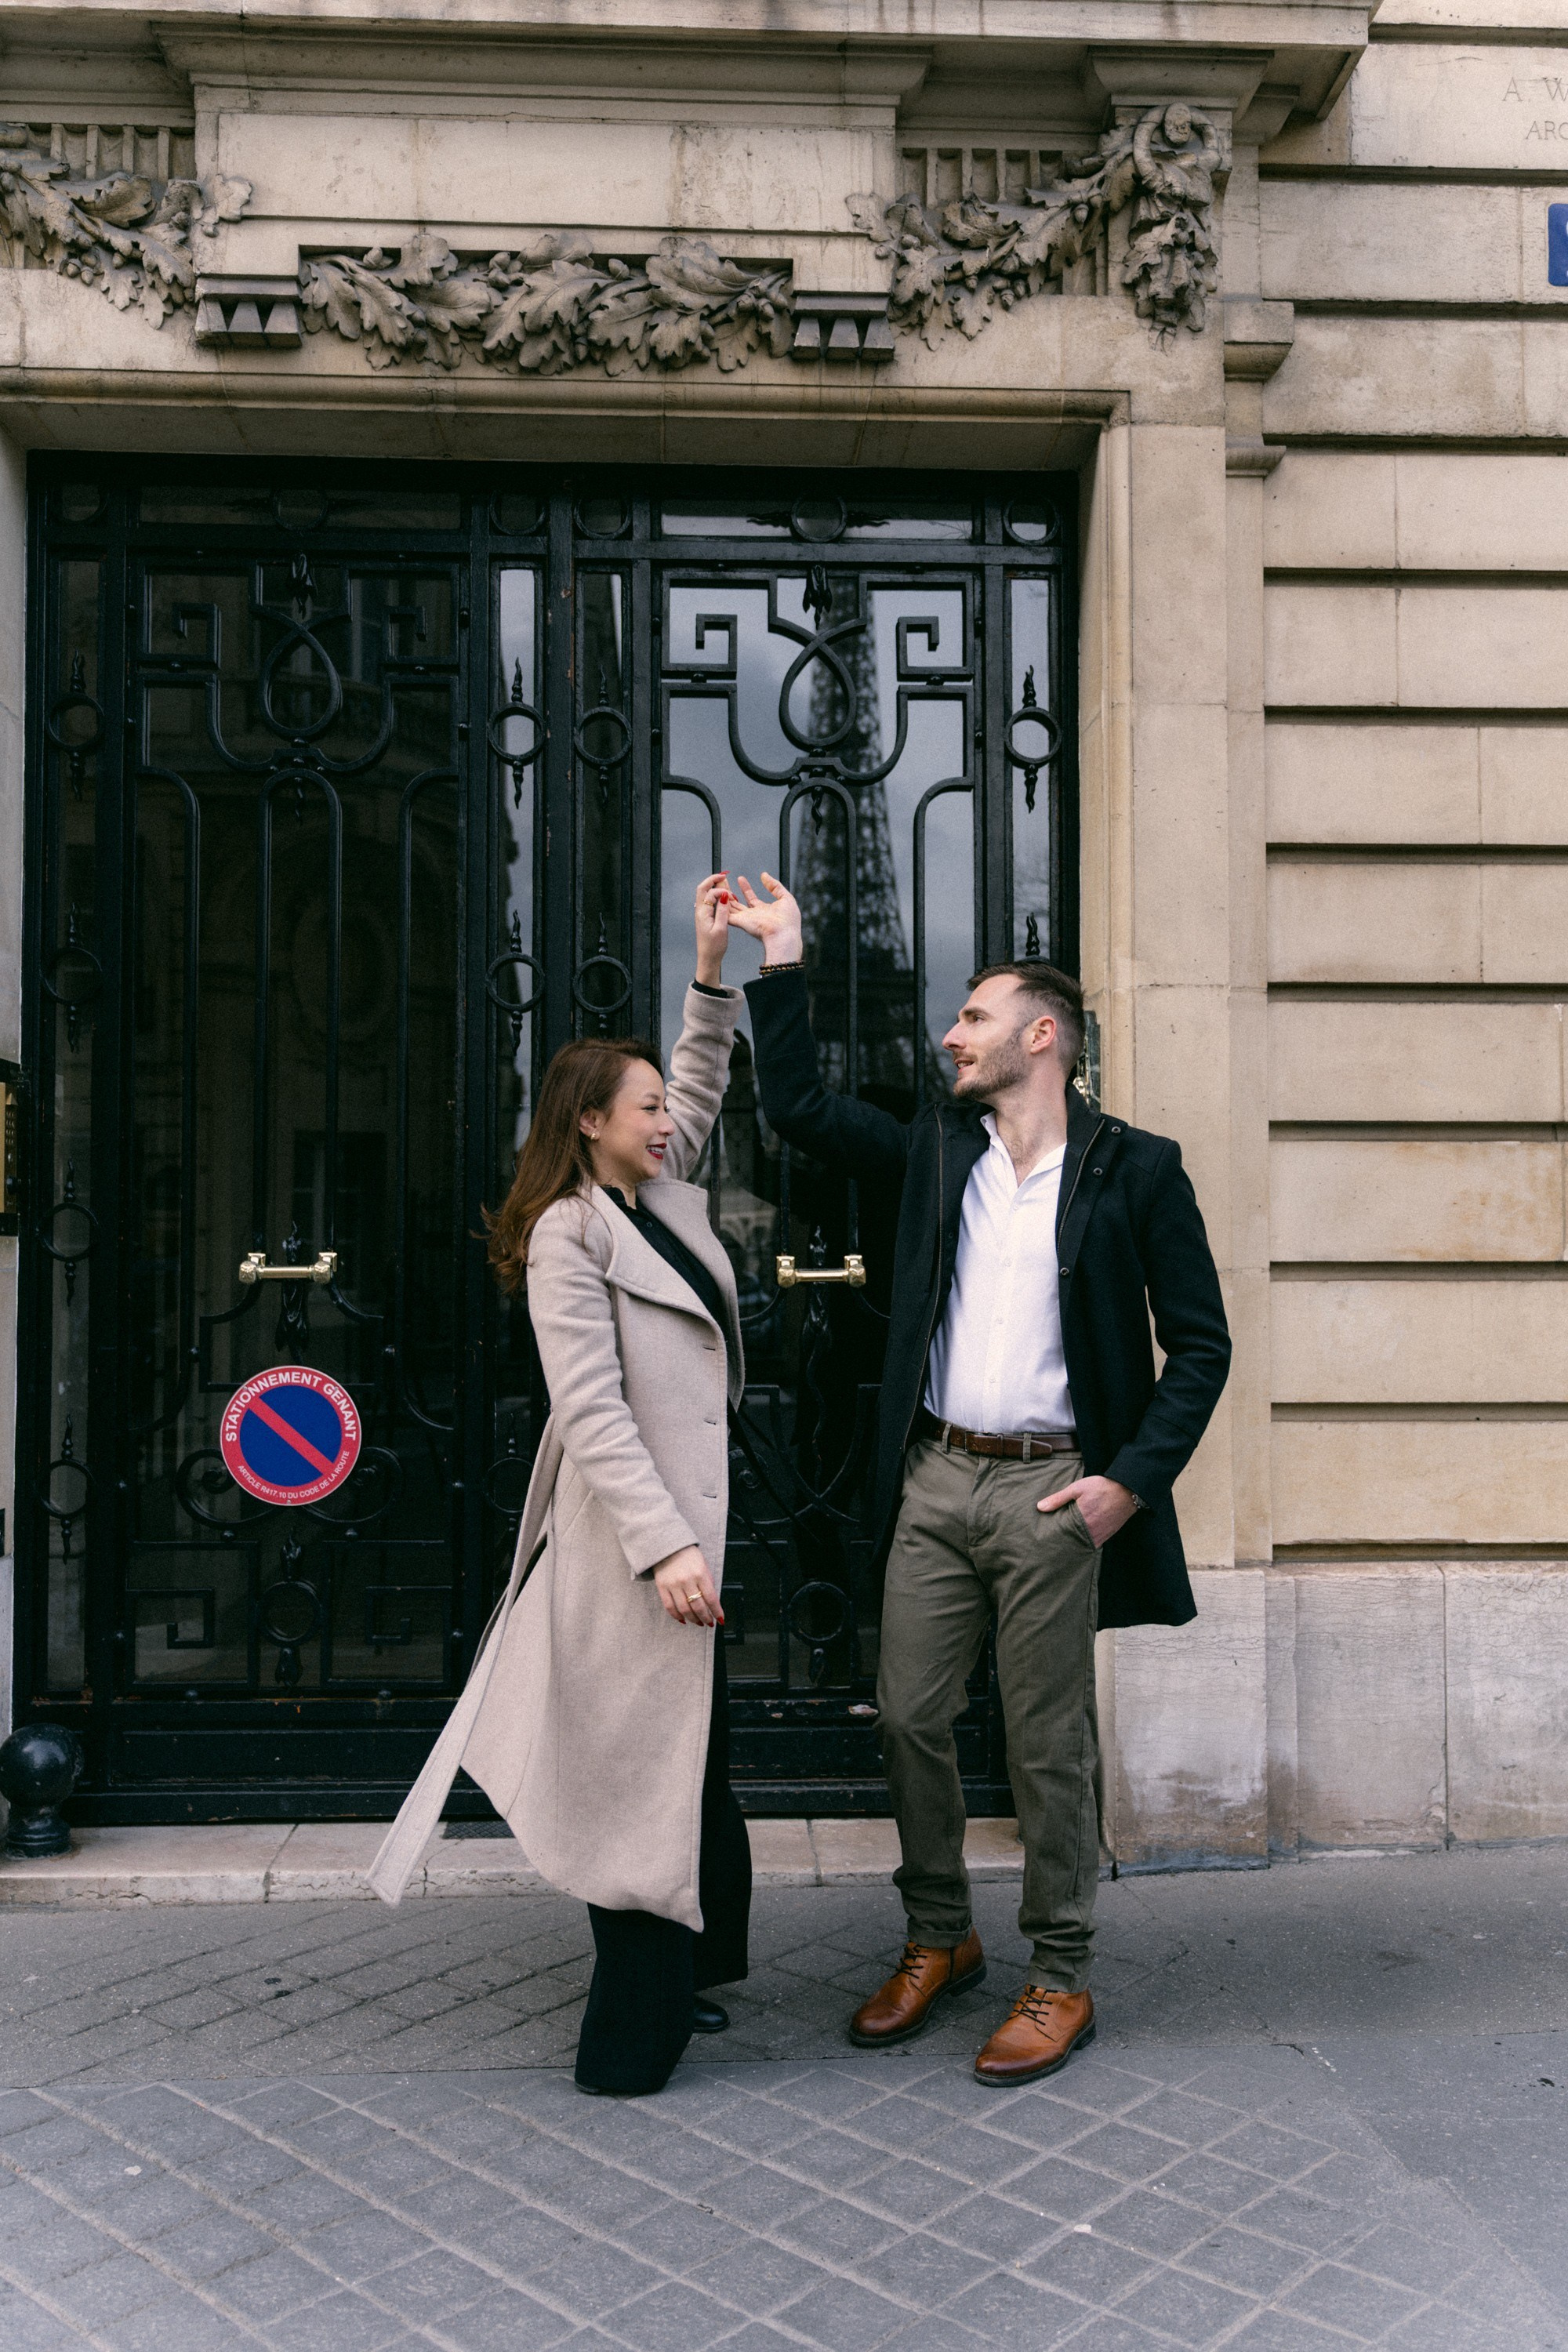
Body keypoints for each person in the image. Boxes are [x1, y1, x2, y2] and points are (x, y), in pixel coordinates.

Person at [727, 872, 1231, 2085]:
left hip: (1055, 1491)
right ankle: (939, 1938)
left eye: (974, 1016)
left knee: (1048, 1743)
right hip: (939, 1479)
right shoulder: (936, 1151)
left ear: (1040, 1036)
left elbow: (1202, 1347)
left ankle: (1059, 1971)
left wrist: (1126, 1485)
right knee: (906, 1715)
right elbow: (793, 1104)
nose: (952, 1034)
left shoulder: (1138, 1170)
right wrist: (782, 954)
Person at [369, 874, 751, 2098]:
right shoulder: (568, 1235)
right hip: (637, 1544)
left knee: (692, 1757)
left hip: (691, 1531)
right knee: (645, 1776)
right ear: (590, 1121)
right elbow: (589, 1411)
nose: (666, 1120)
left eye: (660, 1108)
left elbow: (700, 1079)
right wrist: (666, 1547)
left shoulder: (653, 1193)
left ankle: (692, 1980)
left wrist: (710, 970)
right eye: (641, 1107)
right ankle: (627, 2049)